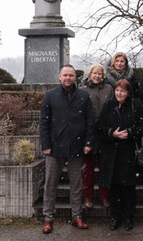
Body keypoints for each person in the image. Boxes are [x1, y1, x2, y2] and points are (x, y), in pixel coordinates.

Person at [39, 64, 94, 234]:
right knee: (50, 185)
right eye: (65, 75)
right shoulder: (50, 96)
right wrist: (46, 145)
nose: (68, 78)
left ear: (75, 77)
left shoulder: (84, 96)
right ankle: (48, 219)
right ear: (59, 76)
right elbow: (44, 123)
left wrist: (88, 143)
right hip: (54, 148)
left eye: (71, 75)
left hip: (77, 148)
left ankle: (77, 216)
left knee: (76, 186)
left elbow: (90, 122)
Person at [97, 79, 143, 231]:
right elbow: (99, 127)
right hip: (111, 153)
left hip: (128, 152)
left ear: (128, 93)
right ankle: (115, 216)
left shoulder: (135, 105)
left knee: (128, 187)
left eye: (123, 91)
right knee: (114, 187)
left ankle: (128, 217)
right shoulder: (108, 106)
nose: (120, 93)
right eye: (117, 90)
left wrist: (131, 133)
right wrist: (112, 133)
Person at [80, 63, 114, 209]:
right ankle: (87, 197)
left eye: (100, 73)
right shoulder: (82, 90)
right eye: (94, 73)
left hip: (105, 134)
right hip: (89, 134)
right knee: (88, 168)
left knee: (104, 167)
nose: (97, 76)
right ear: (89, 74)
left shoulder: (108, 89)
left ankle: (104, 196)